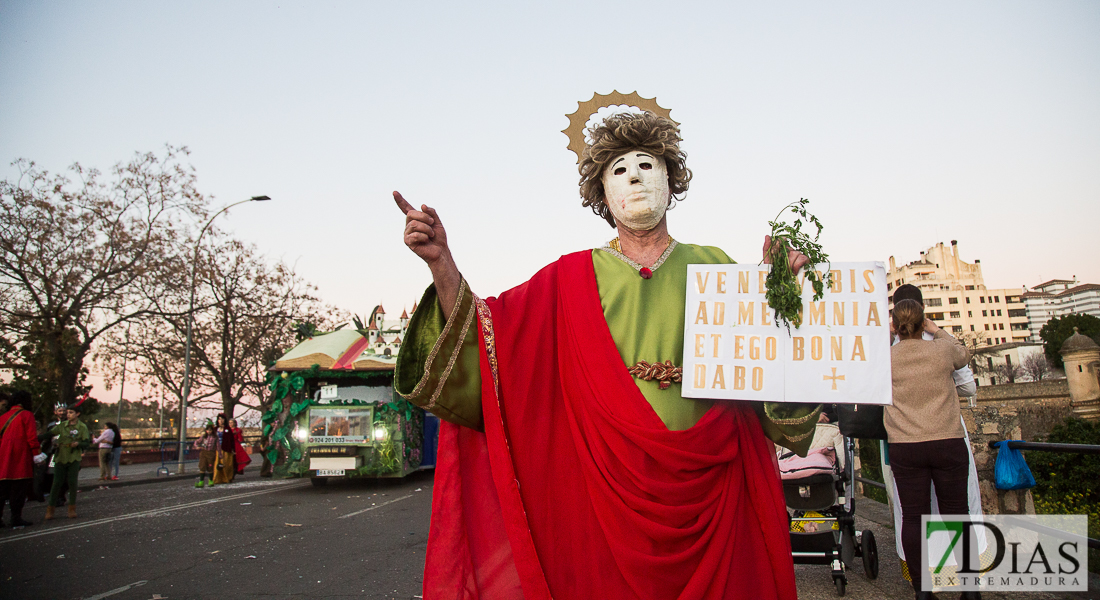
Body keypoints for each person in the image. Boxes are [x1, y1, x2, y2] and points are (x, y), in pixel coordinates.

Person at [393, 110, 820, 599]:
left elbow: (768, 368)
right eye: (619, 169)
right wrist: (442, 263)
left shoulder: (716, 266)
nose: (635, 176)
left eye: (647, 164)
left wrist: (781, 293)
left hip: (716, 495)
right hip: (604, 504)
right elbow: (490, 341)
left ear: (670, 177)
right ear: (601, 194)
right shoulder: (566, 279)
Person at [887, 299, 976, 600]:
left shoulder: (885, 359)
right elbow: (964, 354)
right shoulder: (941, 350)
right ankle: (970, 590)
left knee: (913, 518)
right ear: (923, 322)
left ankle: (922, 591)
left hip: (905, 446)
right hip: (947, 442)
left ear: (895, 325)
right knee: (958, 514)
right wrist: (937, 331)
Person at [0, 390, 46, 527]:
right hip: (20, 456)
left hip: (3, 456)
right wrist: (37, 455)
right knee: (18, 490)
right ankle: (16, 517)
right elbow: (32, 438)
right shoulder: (27, 415)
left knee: (1, 491)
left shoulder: (3, 417)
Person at [46, 401, 90, 519]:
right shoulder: (61, 425)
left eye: (71, 412)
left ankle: (71, 508)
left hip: (73, 457)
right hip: (60, 457)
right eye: (67, 412)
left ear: (78, 414)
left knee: (72, 483)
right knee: (56, 483)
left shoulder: (82, 427)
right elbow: (48, 434)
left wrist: (78, 444)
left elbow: (87, 442)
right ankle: (50, 508)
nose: (68, 414)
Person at [211, 413, 236, 485]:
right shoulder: (215, 429)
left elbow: (231, 440)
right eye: (219, 419)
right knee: (217, 464)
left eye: (222, 419)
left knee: (225, 464)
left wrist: (233, 449)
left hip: (225, 448)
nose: (221, 421)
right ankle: (216, 478)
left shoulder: (227, 429)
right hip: (216, 449)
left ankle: (226, 478)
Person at [193, 422, 217, 488]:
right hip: (204, 453)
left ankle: (211, 480)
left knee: (210, 467)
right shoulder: (203, 437)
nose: (209, 431)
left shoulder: (215, 437)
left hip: (211, 453)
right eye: (208, 430)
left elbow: (218, 446)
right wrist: (196, 446)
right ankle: (201, 481)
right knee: (202, 466)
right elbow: (197, 442)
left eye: (210, 430)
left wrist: (220, 455)